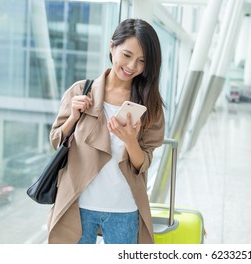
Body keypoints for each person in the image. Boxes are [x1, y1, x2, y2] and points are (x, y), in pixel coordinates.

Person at [47, 18, 165, 244]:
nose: (132, 67)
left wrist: (130, 141)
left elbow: (143, 164)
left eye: (141, 61)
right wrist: (73, 116)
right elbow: (56, 140)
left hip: (124, 207)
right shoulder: (81, 91)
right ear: (112, 47)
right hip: (78, 205)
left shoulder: (149, 105)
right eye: (127, 55)